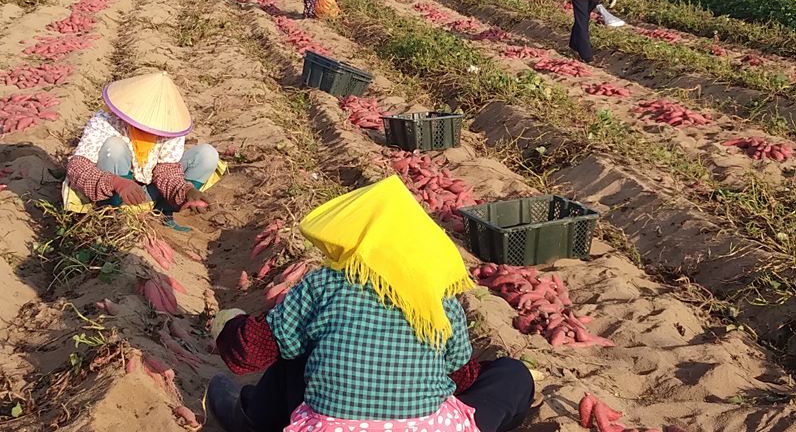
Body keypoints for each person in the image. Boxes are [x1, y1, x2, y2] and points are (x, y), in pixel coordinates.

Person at [207, 175, 534, 432]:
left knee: (294, 347)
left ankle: (250, 417)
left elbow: (249, 354)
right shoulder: (439, 296)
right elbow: (461, 377)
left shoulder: (326, 285)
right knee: (512, 375)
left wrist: (230, 325)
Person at [64, 72, 222, 216]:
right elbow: (77, 166)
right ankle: (113, 213)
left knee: (207, 155)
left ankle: (165, 211)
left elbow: (166, 171)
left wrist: (186, 190)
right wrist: (116, 182)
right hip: (113, 190)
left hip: (148, 191)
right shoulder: (106, 119)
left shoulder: (171, 126)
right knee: (115, 147)